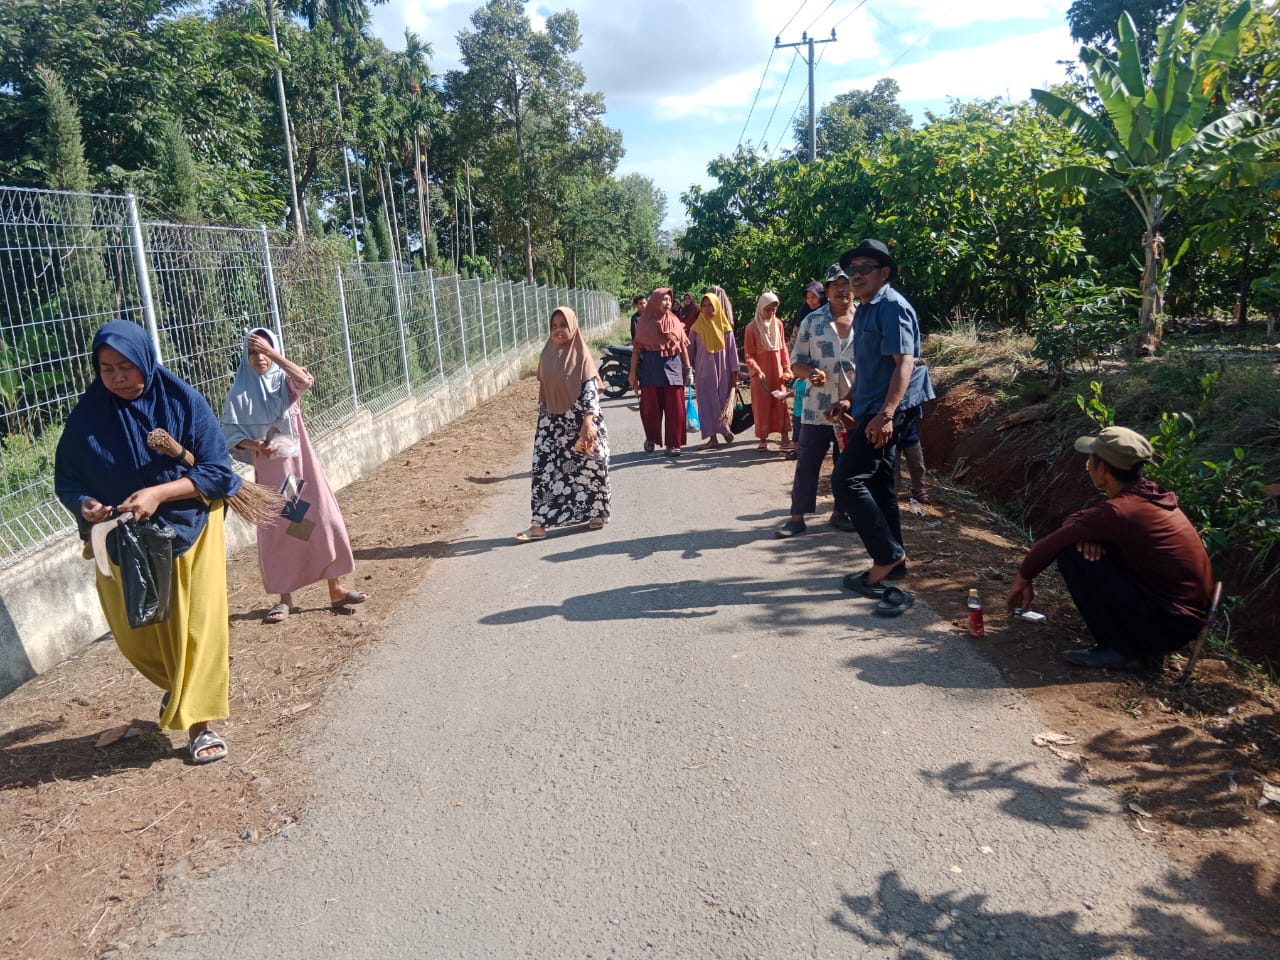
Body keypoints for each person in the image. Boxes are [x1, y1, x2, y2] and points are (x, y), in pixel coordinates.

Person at [54, 320, 240, 764]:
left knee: (194, 630)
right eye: (106, 368)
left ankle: (199, 725)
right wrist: (87, 505)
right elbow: (67, 480)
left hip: (189, 525)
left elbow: (219, 473)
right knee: (138, 633)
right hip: (124, 537)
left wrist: (158, 493)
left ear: (146, 362)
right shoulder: (87, 419)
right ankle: (177, 689)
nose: (118, 377)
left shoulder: (183, 402)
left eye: (127, 366)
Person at [1005, 427, 1214, 669]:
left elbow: (1052, 543)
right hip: (1179, 621)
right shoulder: (1148, 495)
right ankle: (1135, 644)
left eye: (1090, 461)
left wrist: (1023, 579)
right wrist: (1088, 535)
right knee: (1082, 547)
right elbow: (1079, 521)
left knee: (1072, 556)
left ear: (1103, 469)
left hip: (1169, 625)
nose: (1088, 466)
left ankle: (1120, 649)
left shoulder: (1120, 511)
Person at [221, 329, 367, 624]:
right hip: (272, 474)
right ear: (244, 358)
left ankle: (335, 588)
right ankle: (284, 598)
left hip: (303, 467)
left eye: (264, 351)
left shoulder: (284, 384)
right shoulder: (239, 392)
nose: (260, 358)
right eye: (253, 352)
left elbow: (305, 379)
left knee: (322, 520)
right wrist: (253, 444)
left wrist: (275, 355)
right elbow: (230, 436)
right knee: (282, 530)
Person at [828, 239, 935, 597]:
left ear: (884, 273)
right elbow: (869, 367)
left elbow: (904, 363)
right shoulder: (868, 308)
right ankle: (897, 562)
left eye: (864, 270)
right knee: (878, 485)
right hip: (871, 408)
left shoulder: (892, 307)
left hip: (890, 411)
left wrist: (887, 414)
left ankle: (886, 555)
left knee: (846, 480)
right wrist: (847, 401)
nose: (855, 276)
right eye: (852, 270)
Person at [515, 306, 611, 541]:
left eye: (563, 325)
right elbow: (543, 391)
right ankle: (538, 524)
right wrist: (542, 425)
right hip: (551, 425)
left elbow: (590, 390)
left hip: (581, 423)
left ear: (573, 327)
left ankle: (597, 512)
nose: (558, 330)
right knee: (544, 469)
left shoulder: (581, 354)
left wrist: (588, 422)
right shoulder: (547, 355)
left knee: (591, 466)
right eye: (554, 326)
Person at [775, 264, 858, 538]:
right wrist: (810, 373)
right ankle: (796, 518)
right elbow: (796, 362)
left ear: (854, 288)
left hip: (851, 407)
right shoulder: (813, 321)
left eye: (846, 284)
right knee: (808, 463)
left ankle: (840, 512)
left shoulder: (866, 320)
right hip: (816, 408)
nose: (841, 290)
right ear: (828, 290)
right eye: (835, 285)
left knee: (846, 464)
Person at [629, 287, 691, 456]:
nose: (668, 303)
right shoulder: (644, 323)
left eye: (670, 300)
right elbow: (636, 350)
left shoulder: (675, 321)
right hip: (651, 370)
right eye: (664, 299)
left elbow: (683, 346)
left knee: (676, 409)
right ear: (655, 301)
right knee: (650, 409)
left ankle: (673, 443)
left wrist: (689, 369)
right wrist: (632, 373)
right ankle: (651, 438)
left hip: (674, 369)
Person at [689, 289, 739, 450]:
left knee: (722, 400)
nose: (707, 309)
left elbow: (732, 353)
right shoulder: (696, 328)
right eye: (704, 306)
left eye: (711, 305)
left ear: (717, 306)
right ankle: (713, 437)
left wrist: (735, 373)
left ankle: (724, 429)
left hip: (723, 371)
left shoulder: (725, 328)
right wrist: (688, 369)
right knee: (706, 404)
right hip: (704, 373)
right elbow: (690, 352)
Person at [743, 291, 792, 452]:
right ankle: (763, 439)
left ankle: (785, 436)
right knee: (762, 406)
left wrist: (787, 367)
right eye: (768, 309)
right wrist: (757, 370)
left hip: (778, 373)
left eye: (774, 310)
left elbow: (783, 348)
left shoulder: (778, 324)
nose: (771, 313)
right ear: (761, 308)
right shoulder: (751, 328)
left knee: (781, 402)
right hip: (760, 376)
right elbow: (748, 354)